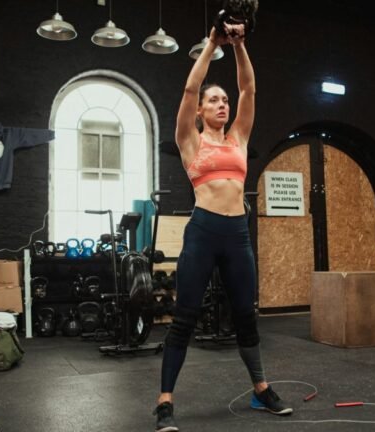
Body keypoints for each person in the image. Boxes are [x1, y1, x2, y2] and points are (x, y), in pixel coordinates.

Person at [153, 22, 292, 432]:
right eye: (214, 100)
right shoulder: (190, 141)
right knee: (184, 318)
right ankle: (164, 402)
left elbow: (249, 89)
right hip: (203, 231)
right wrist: (213, 43)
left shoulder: (238, 138)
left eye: (224, 100)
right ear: (200, 110)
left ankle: (261, 388)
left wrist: (240, 45)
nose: (221, 104)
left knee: (245, 316)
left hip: (237, 235)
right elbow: (187, 91)